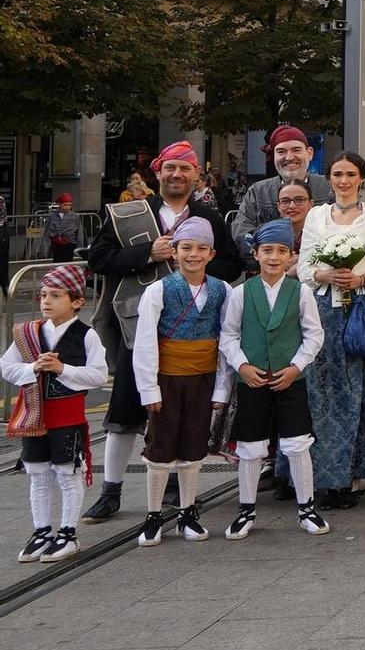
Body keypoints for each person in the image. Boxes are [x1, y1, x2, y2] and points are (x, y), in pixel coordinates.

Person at [83, 140, 240, 524]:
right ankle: (111, 491)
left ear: (195, 175)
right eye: (170, 168)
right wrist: (146, 255)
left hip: (190, 337)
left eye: (184, 169)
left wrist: (196, 270)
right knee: (123, 411)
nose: (176, 175)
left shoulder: (209, 216)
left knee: (182, 413)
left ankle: (174, 488)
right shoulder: (129, 214)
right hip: (136, 330)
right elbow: (97, 259)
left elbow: (231, 263)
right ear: (158, 172)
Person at [297, 152, 365, 509]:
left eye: (350, 174)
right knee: (327, 396)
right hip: (325, 311)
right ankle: (328, 476)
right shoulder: (316, 215)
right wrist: (325, 274)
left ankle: (354, 476)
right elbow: (303, 266)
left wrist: (363, 277)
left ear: (361, 178)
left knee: (364, 393)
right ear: (328, 178)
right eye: (337, 174)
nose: (343, 181)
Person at [218, 220, 329, 539]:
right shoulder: (241, 293)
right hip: (251, 381)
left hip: (290, 380)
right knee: (250, 447)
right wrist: (241, 366)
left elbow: (314, 334)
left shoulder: (301, 292)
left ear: (291, 256)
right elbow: (228, 335)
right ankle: (246, 510)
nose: (273, 257)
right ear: (255, 253)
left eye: (281, 251)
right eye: (267, 251)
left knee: (297, 443)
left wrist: (296, 366)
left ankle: (306, 508)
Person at [131, 216, 231, 546]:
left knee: (193, 445)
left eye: (202, 248)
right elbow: (145, 341)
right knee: (160, 447)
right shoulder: (158, 290)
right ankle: (153, 514)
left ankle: (188, 511)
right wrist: (149, 389)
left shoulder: (222, 290)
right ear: (173, 252)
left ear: (211, 254)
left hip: (203, 378)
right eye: (186, 247)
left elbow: (226, 342)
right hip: (167, 379)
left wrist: (221, 388)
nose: (193, 254)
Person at [4, 265, 108, 563]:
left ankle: (68, 533)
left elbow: (99, 375)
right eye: (43, 295)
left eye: (55, 295)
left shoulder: (86, 335)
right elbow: (7, 367)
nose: (46, 301)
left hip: (67, 415)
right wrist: (32, 368)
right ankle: (42, 531)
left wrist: (63, 369)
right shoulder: (28, 333)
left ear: (76, 301)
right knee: (38, 473)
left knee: (67, 473)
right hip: (34, 415)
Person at [230, 125, 333, 264]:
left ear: (309, 153)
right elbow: (242, 234)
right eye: (281, 151)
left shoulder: (329, 188)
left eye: (296, 150)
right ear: (273, 156)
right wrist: (279, 256)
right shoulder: (257, 192)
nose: (289, 157)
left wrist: (306, 259)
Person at [45, 194, 80, 264]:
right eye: (65, 205)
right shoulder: (52, 217)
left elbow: (79, 232)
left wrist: (79, 247)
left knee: (67, 264)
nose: (67, 207)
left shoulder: (74, 217)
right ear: (59, 204)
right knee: (56, 264)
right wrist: (45, 248)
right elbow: (47, 232)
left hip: (69, 244)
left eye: (69, 205)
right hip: (56, 244)